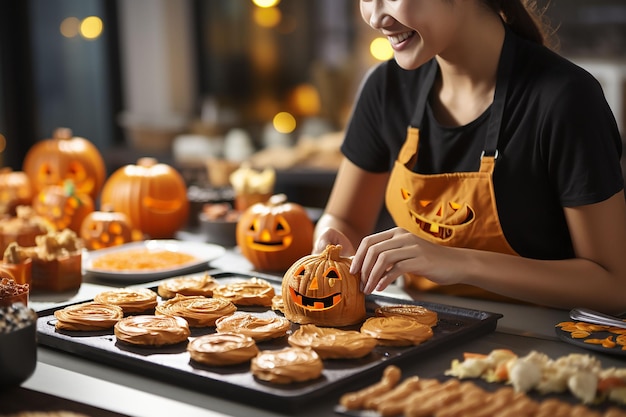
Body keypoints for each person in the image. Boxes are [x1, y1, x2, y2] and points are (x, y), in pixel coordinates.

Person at [313, 0, 626, 313]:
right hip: (416, 331)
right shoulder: (385, 88)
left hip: (538, 350)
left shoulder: (565, 99)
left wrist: (457, 261)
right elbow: (345, 221)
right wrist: (329, 243)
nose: (374, 17)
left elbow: (614, 286)